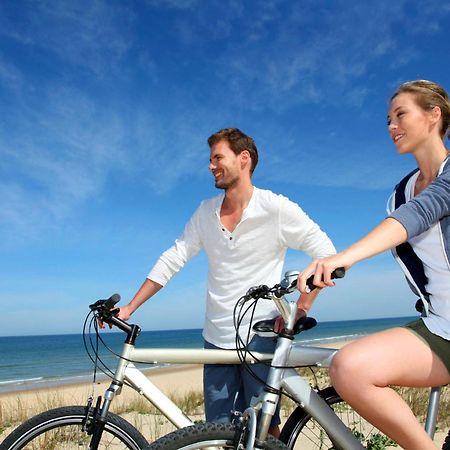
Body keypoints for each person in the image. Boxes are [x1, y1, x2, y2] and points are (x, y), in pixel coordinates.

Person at [114, 128, 336, 434]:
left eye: (218, 157)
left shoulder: (276, 208)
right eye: (210, 159)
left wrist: (301, 308)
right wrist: (130, 307)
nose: (210, 166)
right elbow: (173, 258)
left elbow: (326, 253)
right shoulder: (205, 212)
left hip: (261, 334)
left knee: (264, 427)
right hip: (215, 338)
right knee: (217, 431)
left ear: (243, 159)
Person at [298, 80, 450, 450]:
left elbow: (419, 214)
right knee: (349, 368)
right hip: (442, 326)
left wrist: (343, 256)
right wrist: (308, 296)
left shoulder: (419, 197)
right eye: (387, 120)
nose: (391, 127)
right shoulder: (398, 195)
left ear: (434, 115)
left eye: (400, 115)